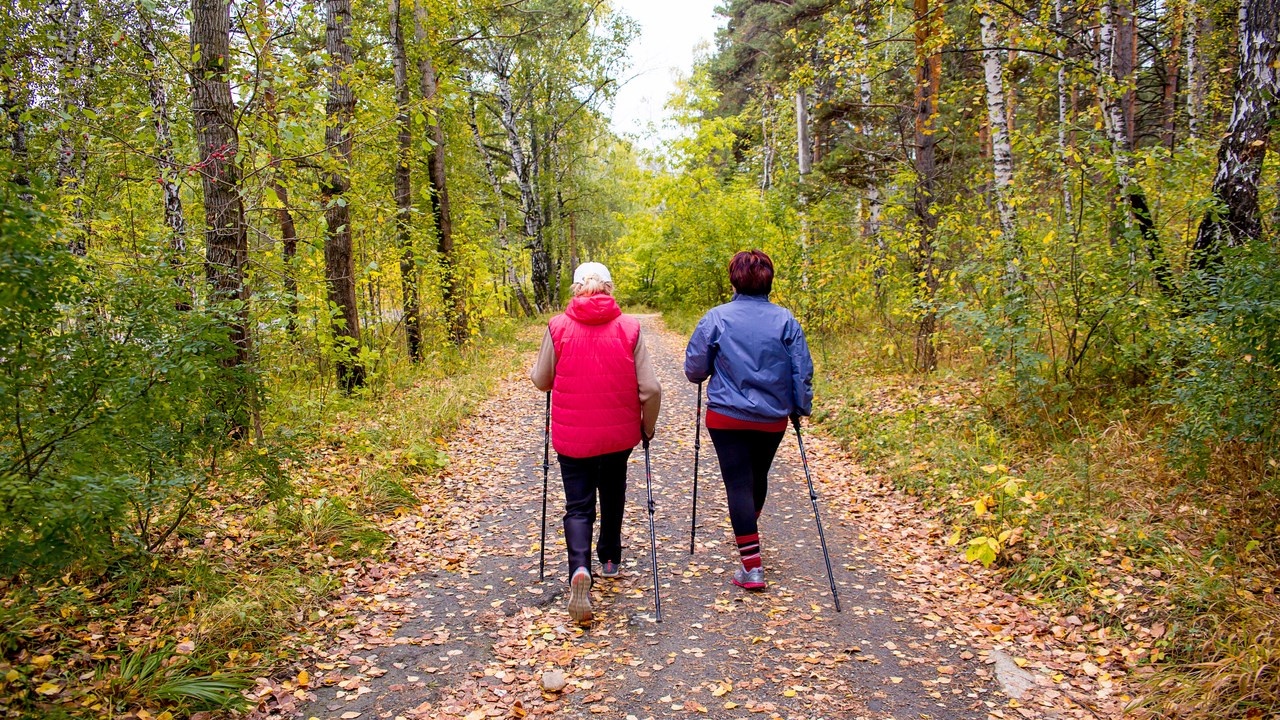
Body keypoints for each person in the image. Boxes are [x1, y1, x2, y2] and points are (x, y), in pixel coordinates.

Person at [531, 262, 662, 625]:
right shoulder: (630, 328)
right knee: (613, 493)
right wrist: (646, 428)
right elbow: (650, 389)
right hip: (618, 436)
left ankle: (578, 568)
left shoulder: (558, 327)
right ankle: (609, 559)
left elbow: (542, 381)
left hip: (573, 437)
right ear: (609, 288)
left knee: (578, 505)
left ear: (576, 289)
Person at [683, 250, 813, 591]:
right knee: (757, 477)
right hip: (772, 418)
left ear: (734, 279)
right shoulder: (787, 321)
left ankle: (751, 563)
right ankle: (749, 541)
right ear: (769, 278)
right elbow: (801, 371)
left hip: (726, 416)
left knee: (739, 484)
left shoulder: (716, 318)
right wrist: (800, 407)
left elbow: (695, 371)